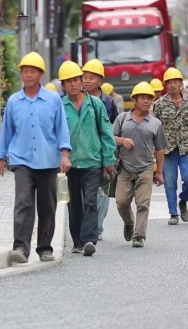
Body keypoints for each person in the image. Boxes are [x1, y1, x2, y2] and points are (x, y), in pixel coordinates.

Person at [0, 51, 72, 263]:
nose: (28, 75)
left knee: (47, 206)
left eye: (32, 72)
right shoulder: (14, 101)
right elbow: (7, 131)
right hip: (22, 161)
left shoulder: (53, 99)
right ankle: (20, 248)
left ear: (40, 75)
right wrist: (0, 157)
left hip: (48, 161)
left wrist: (65, 154)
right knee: (23, 202)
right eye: (25, 72)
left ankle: (45, 248)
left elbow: (61, 129)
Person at [59, 61, 116, 256]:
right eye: (68, 81)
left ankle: (89, 239)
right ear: (63, 85)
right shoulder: (60, 106)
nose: (73, 84)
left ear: (81, 81)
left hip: (92, 161)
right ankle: (77, 241)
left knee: (91, 200)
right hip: (70, 164)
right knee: (74, 203)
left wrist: (108, 158)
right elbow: (54, 134)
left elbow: (106, 132)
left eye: (76, 79)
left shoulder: (95, 104)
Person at [113, 82, 167, 248]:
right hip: (125, 168)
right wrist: (122, 140)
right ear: (134, 100)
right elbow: (110, 138)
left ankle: (139, 235)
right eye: (142, 98)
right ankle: (129, 222)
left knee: (143, 204)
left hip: (145, 169)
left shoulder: (155, 123)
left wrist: (159, 173)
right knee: (121, 202)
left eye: (149, 98)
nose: (146, 101)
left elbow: (160, 149)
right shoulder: (122, 119)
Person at [153, 67, 188, 226]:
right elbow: (154, 127)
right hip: (167, 149)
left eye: (176, 82)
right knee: (170, 181)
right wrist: (154, 149)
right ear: (165, 85)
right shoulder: (159, 104)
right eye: (170, 82)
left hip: (186, 146)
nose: (173, 85)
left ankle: (184, 201)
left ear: (181, 84)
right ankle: (173, 213)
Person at [82, 58, 118, 241]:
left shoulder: (109, 102)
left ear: (100, 81)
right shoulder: (76, 99)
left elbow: (113, 127)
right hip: (82, 153)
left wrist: (111, 154)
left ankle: (97, 226)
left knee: (102, 193)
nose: (87, 81)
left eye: (92, 77)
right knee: (85, 194)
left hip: (101, 154)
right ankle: (87, 226)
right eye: (85, 77)